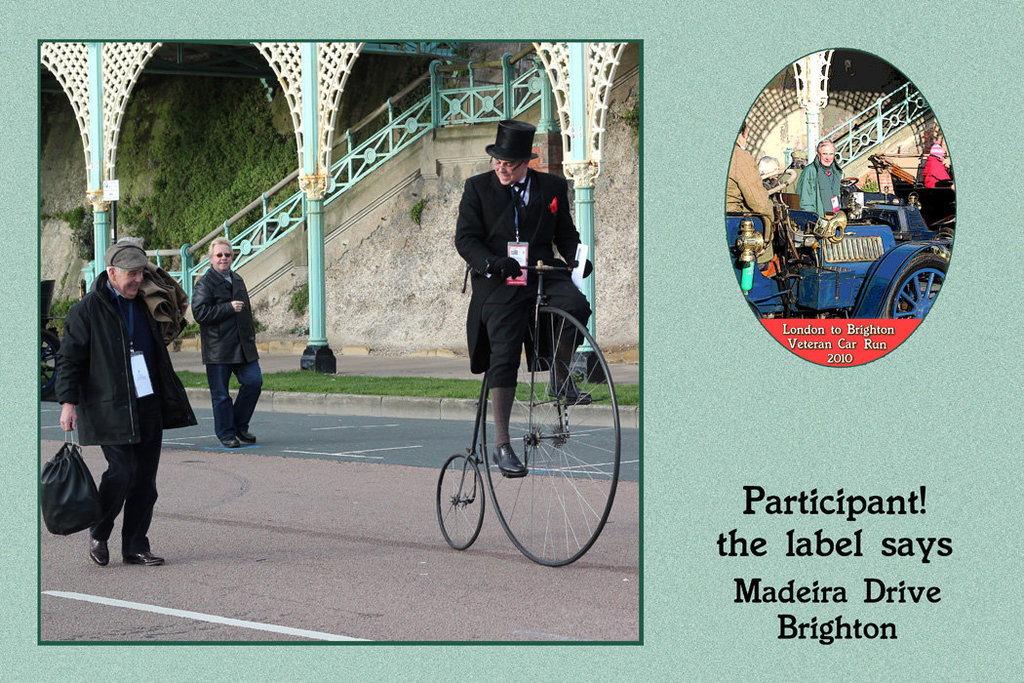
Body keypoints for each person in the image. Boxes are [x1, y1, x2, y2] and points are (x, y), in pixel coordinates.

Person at [455, 119, 592, 478]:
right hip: (499, 279)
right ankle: (502, 445)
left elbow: (565, 233)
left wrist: (577, 257)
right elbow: (465, 240)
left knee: (576, 305)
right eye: (497, 161)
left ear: (526, 163)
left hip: (540, 271)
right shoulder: (477, 189)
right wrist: (490, 262)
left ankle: (560, 377)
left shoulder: (551, 187)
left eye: (510, 164)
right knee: (504, 346)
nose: (502, 168)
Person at [57, 238, 197, 567]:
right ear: (111, 273)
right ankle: (99, 532)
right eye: (130, 275)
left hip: (147, 401)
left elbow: (166, 333)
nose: (137, 280)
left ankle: (135, 545)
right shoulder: (86, 311)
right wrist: (67, 403)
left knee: (145, 481)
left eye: (139, 273)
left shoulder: (146, 302)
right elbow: (69, 360)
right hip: (109, 405)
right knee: (121, 471)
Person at [190, 237, 263, 449]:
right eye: (219, 255)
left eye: (227, 255)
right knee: (220, 395)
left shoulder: (238, 279)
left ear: (232, 257)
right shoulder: (205, 283)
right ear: (211, 259)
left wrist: (250, 337)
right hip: (218, 349)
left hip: (243, 347)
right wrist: (228, 308)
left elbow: (246, 313)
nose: (223, 258)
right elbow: (200, 313)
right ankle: (226, 433)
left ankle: (240, 425)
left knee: (254, 382)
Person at [726, 122, 775, 264]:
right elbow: (759, 203)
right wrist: (766, 240)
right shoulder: (739, 157)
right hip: (733, 228)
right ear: (744, 133)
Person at [797, 139, 844, 215]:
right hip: (819, 217)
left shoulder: (836, 171)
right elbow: (805, 200)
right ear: (818, 154)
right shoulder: (810, 171)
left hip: (834, 217)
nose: (828, 158)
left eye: (831, 154)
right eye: (824, 154)